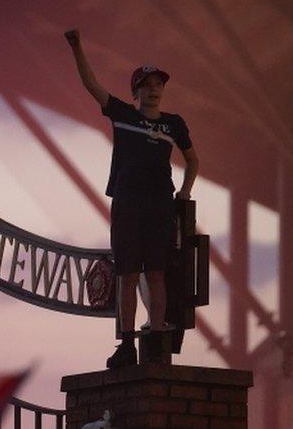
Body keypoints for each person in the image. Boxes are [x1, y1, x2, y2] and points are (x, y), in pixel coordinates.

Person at [64, 29, 199, 369]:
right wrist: (78, 46)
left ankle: (155, 337)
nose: (154, 90)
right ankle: (126, 344)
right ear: (136, 91)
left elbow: (193, 159)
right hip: (127, 203)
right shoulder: (124, 115)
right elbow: (91, 84)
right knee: (127, 274)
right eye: (148, 85)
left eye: (159, 85)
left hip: (159, 205)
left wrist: (185, 190)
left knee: (156, 273)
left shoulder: (173, 124)